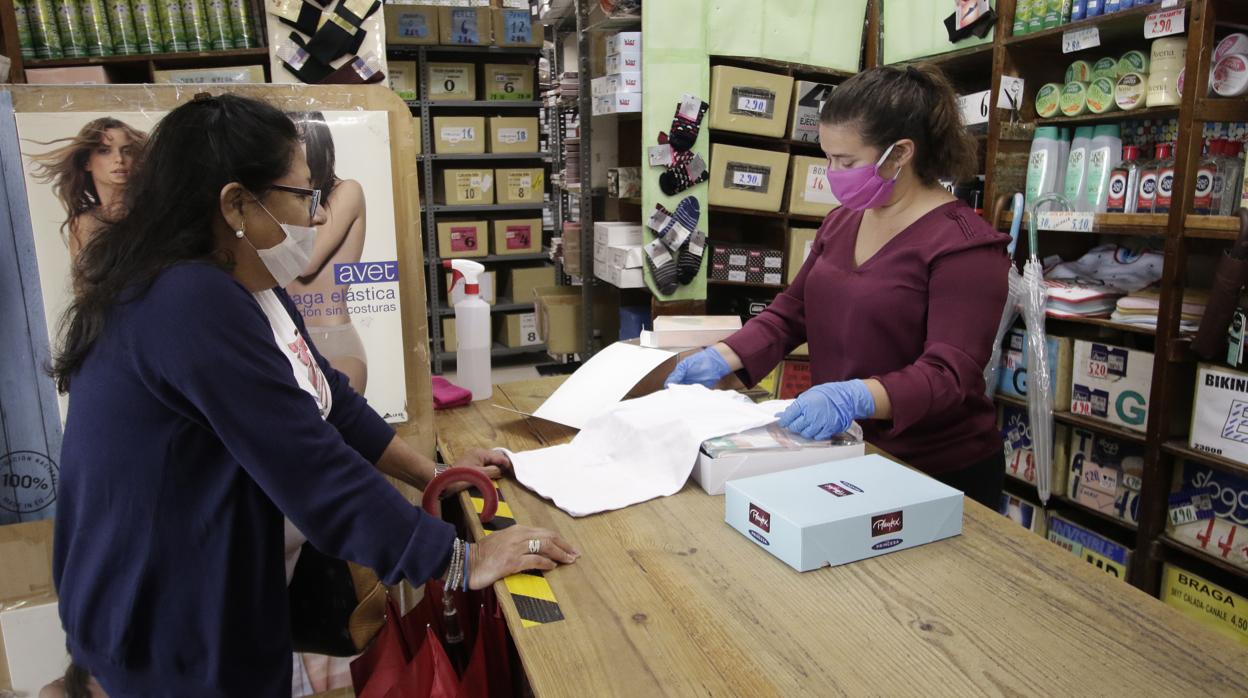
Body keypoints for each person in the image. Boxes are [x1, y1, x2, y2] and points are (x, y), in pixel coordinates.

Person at [50, 94, 577, 697]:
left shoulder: (248, 285)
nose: (320, 215)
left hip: (222, 592)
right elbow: (310, 465)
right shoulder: (186, 300)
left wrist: (434, 475)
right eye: (303, 196)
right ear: (237, 204)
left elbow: (330, 402)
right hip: (167, 614)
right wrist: (461, 559)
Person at [666, 64, 1010, 507]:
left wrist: (855, 396)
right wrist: (723, 355)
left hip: (937, 468)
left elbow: (949, 376)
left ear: (901, 153)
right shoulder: (843, 221)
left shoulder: (965, 248)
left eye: (846, 161)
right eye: (828, 157)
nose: (832, 172)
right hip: (851, 450)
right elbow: (793, 311)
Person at [286, 111, 370, 392]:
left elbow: (306, 263)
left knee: (338, 433)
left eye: (299, 137)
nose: (290, 146)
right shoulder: (286, 198)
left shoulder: (347, 191)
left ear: (318, 141)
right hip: (289, 339)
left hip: (332, 341)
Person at [29, 117, 148, 260]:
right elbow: (81, 281)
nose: (119, 159)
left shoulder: (152, 215)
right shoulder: (81, 224)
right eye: (104, 151)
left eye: (127, 151)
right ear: (86, 162)